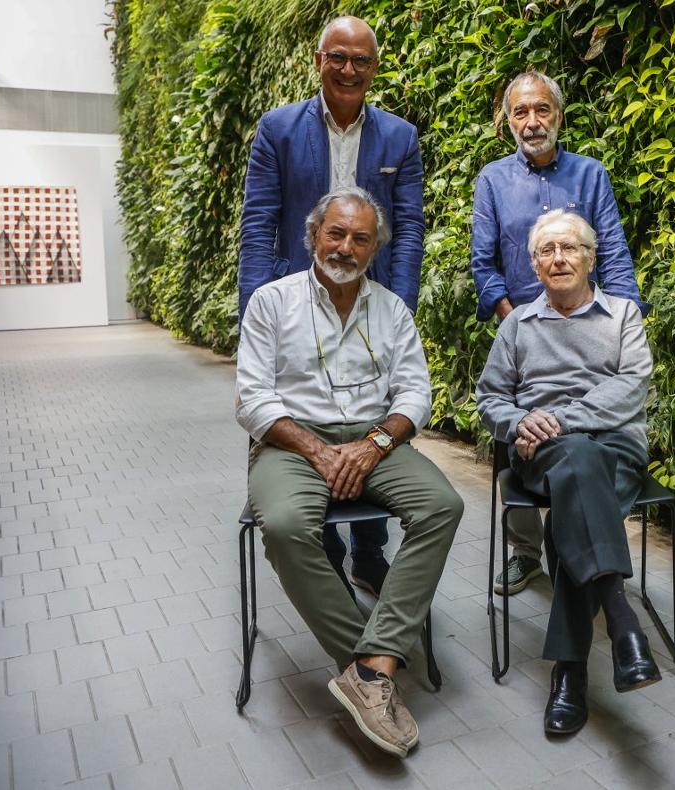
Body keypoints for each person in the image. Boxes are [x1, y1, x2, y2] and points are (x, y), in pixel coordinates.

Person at [236, 187, 461, 757]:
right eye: (335, 233)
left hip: (374, 442)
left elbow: (415, 392)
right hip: (290, 443)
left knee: (442, 504)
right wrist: (317, 450)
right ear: (313, 236)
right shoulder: (271, 302)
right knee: (286, 525)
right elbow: (252, 400)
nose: (346, 246)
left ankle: (374, 664)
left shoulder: (391, 308)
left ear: (374, 249)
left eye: (361, 238)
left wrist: (373, 444)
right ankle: (367, 669)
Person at [239, 15, 426, 594]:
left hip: (367, 300)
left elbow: (410, 227)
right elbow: (259, 222)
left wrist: (397, 302)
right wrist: (257, 308)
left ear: (374, 68)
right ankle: (324, 555)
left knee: (368, 406)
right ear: (318, 60)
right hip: (297, 302)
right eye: (337, 57)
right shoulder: (278, 129)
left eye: (361, 60)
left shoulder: (400, 137)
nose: (349, 69)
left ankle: (370, 553)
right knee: (311, 411)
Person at [475, 210, 660, 735]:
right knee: (574, 465)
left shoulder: (622, 315)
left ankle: (570, 674)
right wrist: (519, 422)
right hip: (540, 453)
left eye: (570, 248)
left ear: (591, 257)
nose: (558, 258)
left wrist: (560, 419)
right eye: (547, 251)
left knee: (575, 486)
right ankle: (621, 623)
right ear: (534, 266)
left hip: (614, 449)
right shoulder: (517, 325)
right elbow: (490, 397)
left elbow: (630, 389)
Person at [470, 71, 648, 597]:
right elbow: (484, 263)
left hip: (588, 324)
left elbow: (611, 251)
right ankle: (526, 555)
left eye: (542, 110)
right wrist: (515, 322)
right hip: (526, 333)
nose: (532, 122)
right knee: (519, 431)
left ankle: (577, 546)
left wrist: (622, 318)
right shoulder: (493, 180)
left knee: (586, 439)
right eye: (521, 112)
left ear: (559, 116)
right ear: (507, 121)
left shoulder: (590, 175)